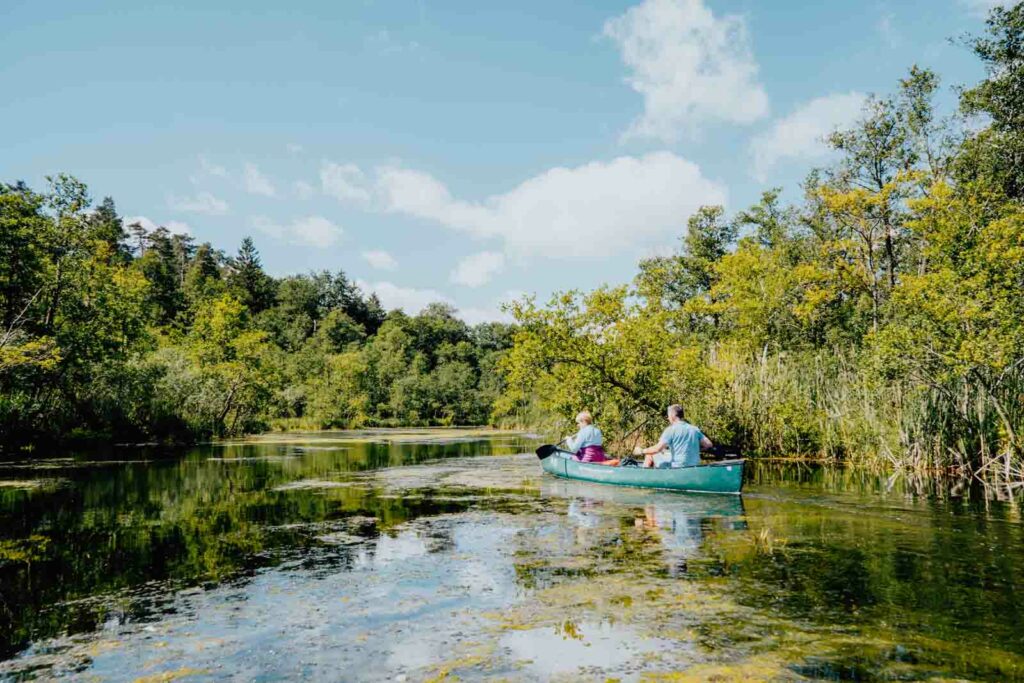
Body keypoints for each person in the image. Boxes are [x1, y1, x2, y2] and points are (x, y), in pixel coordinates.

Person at [633, 404, 712, 468]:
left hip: (677, 467)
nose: (668, 418)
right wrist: (693, 448)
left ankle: (645, 478)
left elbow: (657, 449)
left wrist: (641, 451)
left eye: (668, 416)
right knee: (666, 454)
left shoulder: (670, 430)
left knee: (649, 454)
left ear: (672, 416)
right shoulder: (694, 429)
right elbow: (708, 444)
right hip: (694, 466)